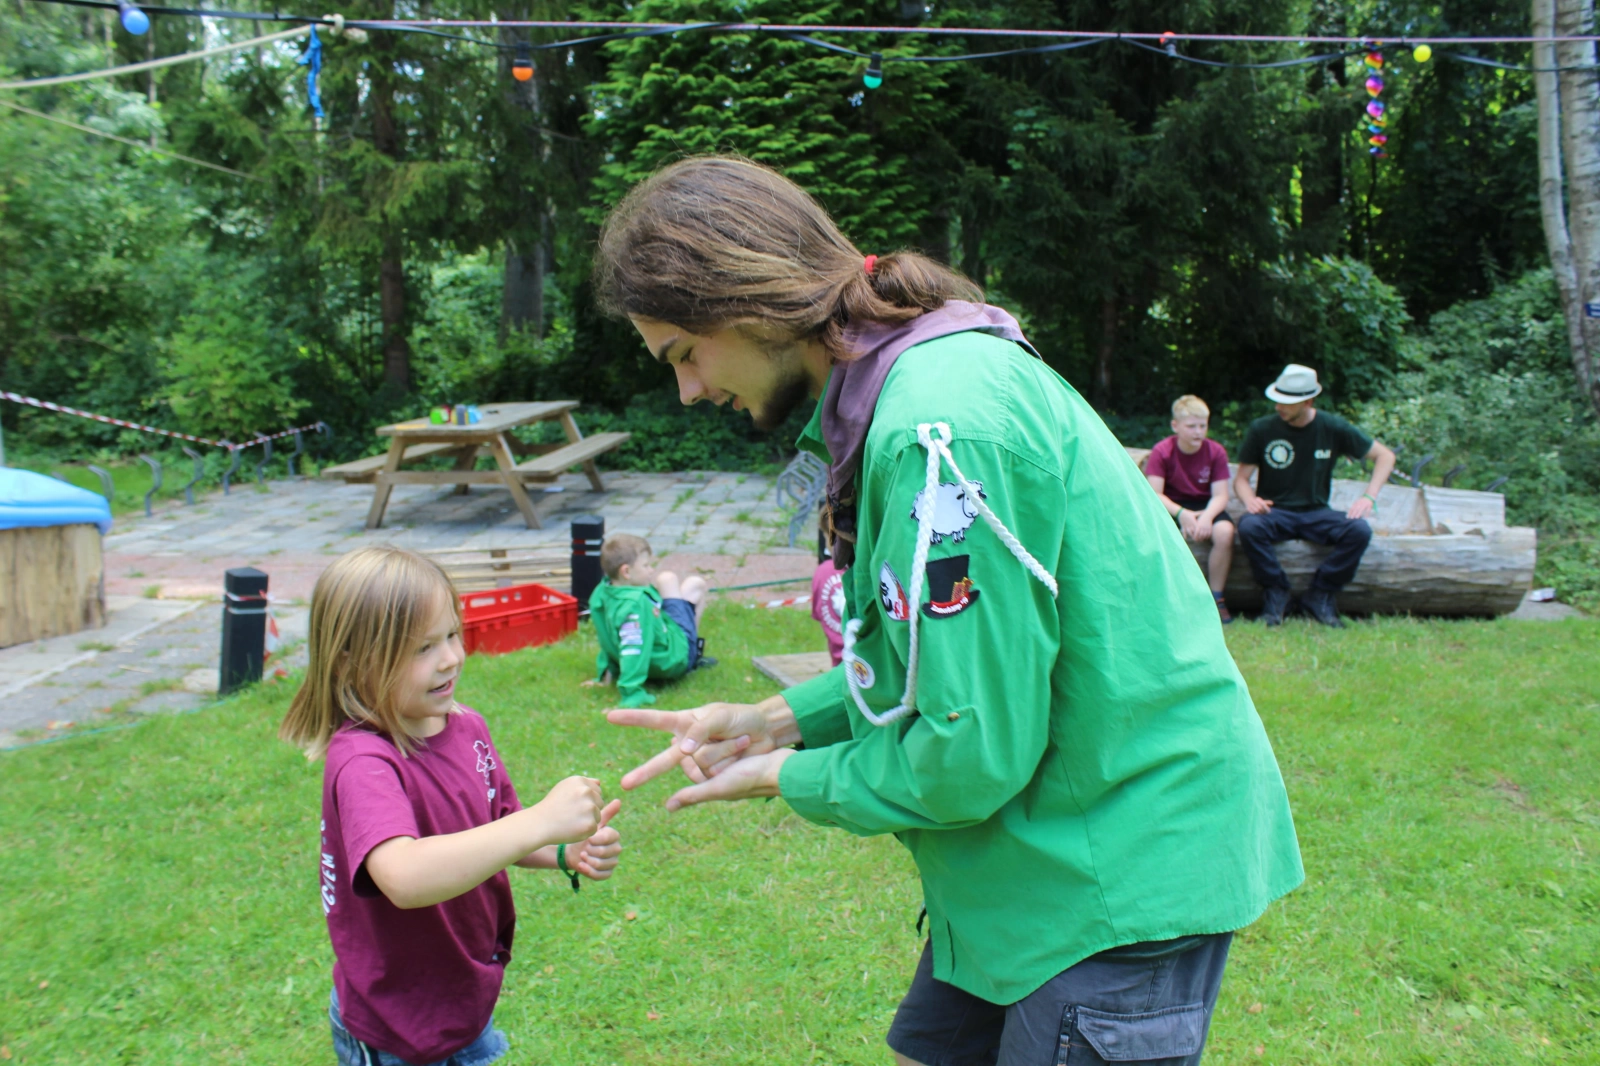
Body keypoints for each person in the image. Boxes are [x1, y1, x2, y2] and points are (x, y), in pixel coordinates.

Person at [594, 156, 1302, 1066]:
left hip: (1112, 870)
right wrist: (777, 719)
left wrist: (786, 776)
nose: (688, 391)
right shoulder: (902, 391)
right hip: (1026, 863)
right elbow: (932, 658)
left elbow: (969, 757)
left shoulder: (941, 429)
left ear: (746, 300)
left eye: (683, 355)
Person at [279, 546, 622, 1066]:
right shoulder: (363, 762)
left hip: (463, 996)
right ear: (352, 660)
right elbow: (405, 876)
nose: (450, 658)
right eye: (422, 648)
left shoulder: (467, 727)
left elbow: (498, 828)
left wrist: (560, 850)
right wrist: (540, 821)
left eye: (451, 635)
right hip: (396, 1024)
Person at [1233, 364, 1397, 628]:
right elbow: (1241, 480)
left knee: (1359, 531)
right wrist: (1250, 499)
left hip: (1316, 512)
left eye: (1287, 402)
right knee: (1249, 526)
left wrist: (1369, 497)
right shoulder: (1262, 429)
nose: (1278, 407)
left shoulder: (1332, 426)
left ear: (1308, 401)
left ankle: (1320, 594)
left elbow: (1385, 456)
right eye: (1277, 400)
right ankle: (1277, 593)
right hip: (1275, 511)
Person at [586, 533, 711, 708]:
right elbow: (633, 648)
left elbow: (607, 638)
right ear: (626, 572)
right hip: (673, 661)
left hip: (662, 650)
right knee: (695, 584)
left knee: (666, 579)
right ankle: (693, 654)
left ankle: (688, 643)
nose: (650, 570)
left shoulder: (601, 593)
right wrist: (631, 694)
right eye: (645, 565)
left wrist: (605, 675)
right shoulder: (635, 605)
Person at [1144, 395, 1236, 622]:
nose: (1198, 432)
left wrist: (1206, 517)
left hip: (1206, 507)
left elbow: (1221, 495)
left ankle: (1217, 597)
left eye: (1203, 426)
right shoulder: (1162, 451)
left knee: (1225, 532)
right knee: (1157, 533)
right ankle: (1170, 599)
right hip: (1172, 506)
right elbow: (1155, 494)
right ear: (1175, 426)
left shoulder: (1216, 451)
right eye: (1191, 426)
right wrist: (1181, 514)